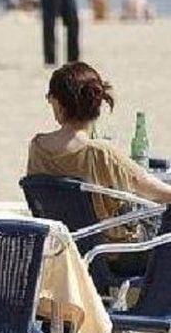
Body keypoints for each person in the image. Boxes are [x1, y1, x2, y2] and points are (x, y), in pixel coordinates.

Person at [27, 62, 171, 275]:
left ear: (57, 103)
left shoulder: (37, 147)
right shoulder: (100, 152)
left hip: (64, 251)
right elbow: (159, 192)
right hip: (113, 255)